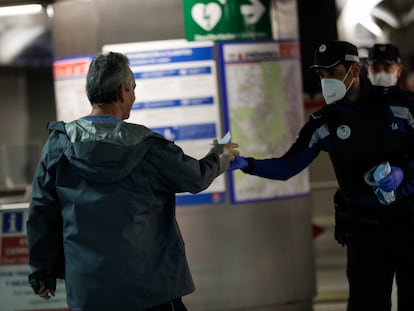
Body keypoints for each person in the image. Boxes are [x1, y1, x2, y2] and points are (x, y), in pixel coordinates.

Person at [26, 51, 239, 311]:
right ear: (121, 91)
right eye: (133, 89)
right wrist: (221, 155)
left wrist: (41, 271)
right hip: (150, 288)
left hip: (89, 291)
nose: (134, 97)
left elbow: (40, 212)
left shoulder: (59, 144)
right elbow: (196, 178)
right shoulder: (148, 147)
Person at [229, 40, 414, 311]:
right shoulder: (324, 123)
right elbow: (288, 167)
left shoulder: (399, 105)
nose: (326, 80)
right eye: (321, 74)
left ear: (354, 70)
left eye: (333, 73)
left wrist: (404, 173)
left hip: (409, 222)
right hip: (365, 232)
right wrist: (247, 164)